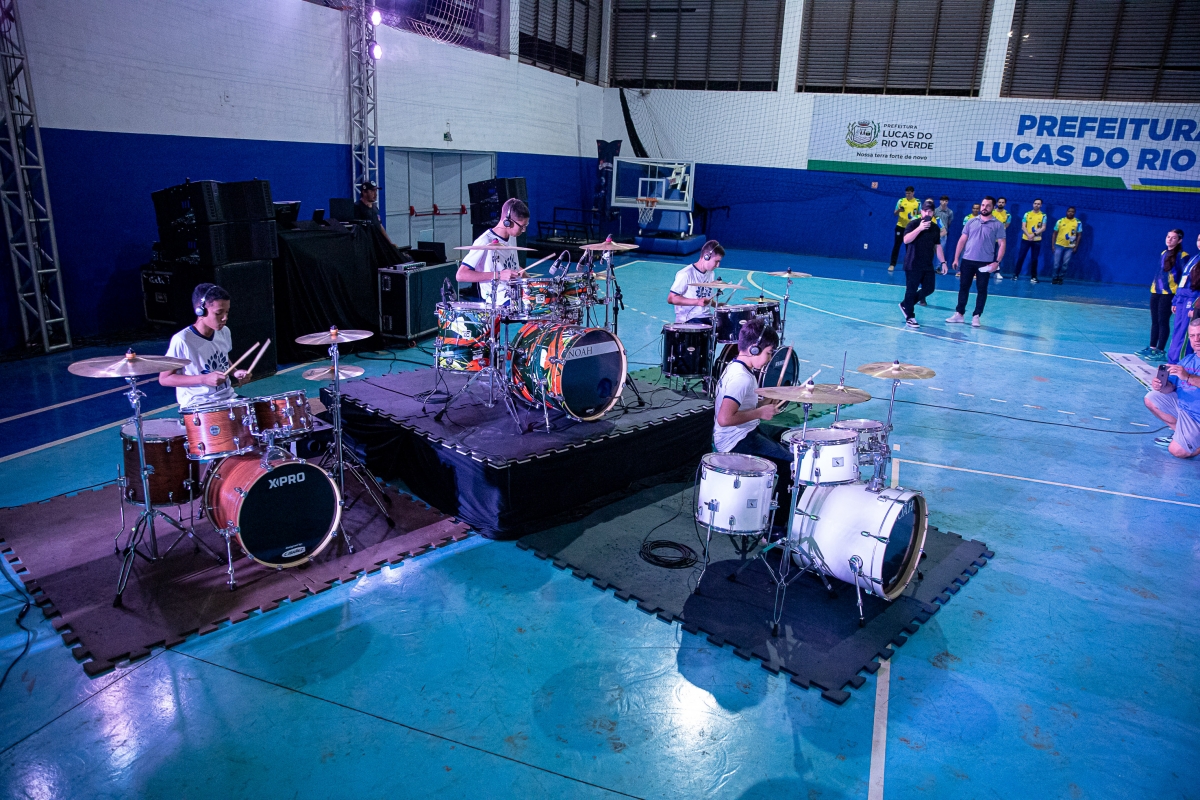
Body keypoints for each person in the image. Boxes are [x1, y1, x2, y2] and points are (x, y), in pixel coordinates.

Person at [712, 318, 792, 522]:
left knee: (787, 436)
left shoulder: (738, 367)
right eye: (769, 352)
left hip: (745, 431)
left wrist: (765, 402)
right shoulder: (741, 379)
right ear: (754, 349)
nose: (769, 358)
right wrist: (760, 413)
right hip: (736, 441)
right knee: (791, 466)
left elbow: (743, 406)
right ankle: (776, 528)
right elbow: (724, 418)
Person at [159, 283, 252, 408]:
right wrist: (204, 379)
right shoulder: (182, 340)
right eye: (219, 313)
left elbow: (222, 356)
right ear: (200, 311)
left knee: (263, 412)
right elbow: (164, 379)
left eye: (227, 312)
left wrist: (234, 372)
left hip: (227, 397)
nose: (225, 318)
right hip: (199, 404)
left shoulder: (224, 331)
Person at [456, 198, 529, 307]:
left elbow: (506, 265)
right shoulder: (484, 241)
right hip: (499, 300)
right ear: (508, 222)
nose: (524, 230)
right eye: (522, 227)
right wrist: (499, 275)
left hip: (515, 292)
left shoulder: (512, 237)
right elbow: (461, 275)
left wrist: (524, 275)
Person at [1144, 317, 1200, 458]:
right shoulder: (1188, 360)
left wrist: (1187, 377)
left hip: (1197, 415)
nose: (1196, 340)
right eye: (1192, 336)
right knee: (1151, 398)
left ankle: (1192, 441)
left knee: (1177, 451)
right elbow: (1171, 387)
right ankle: (1180, 434)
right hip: (1184, 408)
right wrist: (1161, 386)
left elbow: (1186, 377)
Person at [947, 196, 1005, 328]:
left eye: (988, 205)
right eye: (983, 205)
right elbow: (962, 240)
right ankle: (959, 314)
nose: (984, 208)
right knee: (963, 287)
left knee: (982, 289)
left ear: (993, 207)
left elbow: (1002, 244)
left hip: (985, 263)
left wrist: (997, 262)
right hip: (967, 260)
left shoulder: (998, 224)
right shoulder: (971, 221)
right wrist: (956, 258)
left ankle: (976, 316)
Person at [898, 199, 948, 329]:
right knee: (911, 290)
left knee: (929, 288)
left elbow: (937, 246)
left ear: (933, 213)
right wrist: (920, 228)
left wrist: (943, 262)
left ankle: (906, 304)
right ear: (921, 211)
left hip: (927, 264)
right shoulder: (913, 224)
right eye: (925, 211)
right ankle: (910, 317)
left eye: (930, 211)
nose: (927, 213)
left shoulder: (935, 228)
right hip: (913, 264)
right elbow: (906, 240)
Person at [1139, 229, 1187, 363]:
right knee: (1155, 321)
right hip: (1156, 291)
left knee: (1163, 321)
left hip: (1169, 294)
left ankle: (1160, 351)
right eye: (1168, 236)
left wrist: (1178, 297)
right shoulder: (1163, 253)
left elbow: (1184, 277)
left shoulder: (1182, 256)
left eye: (1173, 238)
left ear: (1179, 240)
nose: (1169, 239)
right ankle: (1152, 347)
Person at [668, 240, 724, 323]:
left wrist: (717, 305)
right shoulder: (685, 274)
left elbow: (704, 297)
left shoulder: (711, 273)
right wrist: (697, 302)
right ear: (706, 256)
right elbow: (671, 298)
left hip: (706, 317)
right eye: (716, 261)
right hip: (688, 319)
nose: (718, 265)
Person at [1168, 239, 1200, 363]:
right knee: (1177, 330)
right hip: (1183, 299)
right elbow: (1183, 280)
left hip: (1193, 300)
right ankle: (1172, 360)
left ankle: (1181, 362)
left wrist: (1196, 307)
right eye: (1198, 239)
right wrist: (1176, 300)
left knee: (1185, 333)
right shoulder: (1194, 258)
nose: (1199, 242)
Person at [1012, 198, 1047, 282]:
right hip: (1026, 239)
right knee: (1021, 257)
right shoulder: (1027, 214)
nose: (1036, 205)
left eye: (1038, 204)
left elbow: (1043, 227)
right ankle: (1015, 275)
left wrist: (1033, 235)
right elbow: (1023, 226)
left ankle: (1033, 277)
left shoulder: (1043, 215)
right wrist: (1028, 235)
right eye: (1035, 203)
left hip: (1037, 240)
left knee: (1034, 259)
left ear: (1041, 205)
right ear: (1033, 204)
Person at [354, 181, 397, 246]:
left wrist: (389, 243)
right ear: (364, 192)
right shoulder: (357, 207)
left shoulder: (374, 208)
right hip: (365, 245)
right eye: (372, 191)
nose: (375, 194)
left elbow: (380, 226)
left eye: (376, 191)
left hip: (377, 244)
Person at [889, 186, 920, 272]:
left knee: (909, 248)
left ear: (913, 193)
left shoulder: (917, 202)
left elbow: (920, 214)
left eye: (909, 193)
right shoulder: (901, 201)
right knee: (896, 245)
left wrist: (915, 220)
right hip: (900, 226)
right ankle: (892, 264)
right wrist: (899, 210)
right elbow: (895, 213)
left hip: (911, 228)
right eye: (906, 193)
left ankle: (909, 265)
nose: (907, 195)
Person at [1051, 207, 1082, 285]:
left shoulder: (1078, 222)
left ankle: (1061, 278)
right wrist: (1053, 245)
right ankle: (1054, 278)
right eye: (1069, 211)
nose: (1070, 213)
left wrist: (1076, 246)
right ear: (1066, 212)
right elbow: (1054, 233)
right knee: (1056, 264)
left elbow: (1079, 235)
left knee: (1065, 264)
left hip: (1070, 247)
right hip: (1058, 245)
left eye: (1072, 212)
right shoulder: (1060, 221)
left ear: (1074, 213)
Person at [957, 203, 981, 277]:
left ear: (979, 209)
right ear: (972, 209)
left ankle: (975, 272)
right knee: (963, 255)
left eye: (977, 208)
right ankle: (961, 270)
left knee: (976, 256)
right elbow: (965, 230)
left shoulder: (982, 218)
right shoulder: (967, 218)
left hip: (978, 241)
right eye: (974, 208)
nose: (975, 210)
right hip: (967, 240)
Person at [933, 196, 954, 278]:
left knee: (940, 250)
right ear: (940, 201)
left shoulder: (950, 212)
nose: (944, 202)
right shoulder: (935, 211)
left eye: (946, 201)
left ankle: (937, 267)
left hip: (943, 234)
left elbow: (949, 222)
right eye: (943, 200)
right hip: (934, 233)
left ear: (948, 202)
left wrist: (944, 230)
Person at [992, 197, 1011, 282]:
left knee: (998, 255)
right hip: (989, 238)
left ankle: (997, 272)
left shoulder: (1008, 215)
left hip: (1000, 239)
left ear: (1005, 204)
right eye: (999, 202)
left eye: (1003, 202)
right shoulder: (992, 212)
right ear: (997, 203)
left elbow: (1006, 226)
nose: (1001, 204)